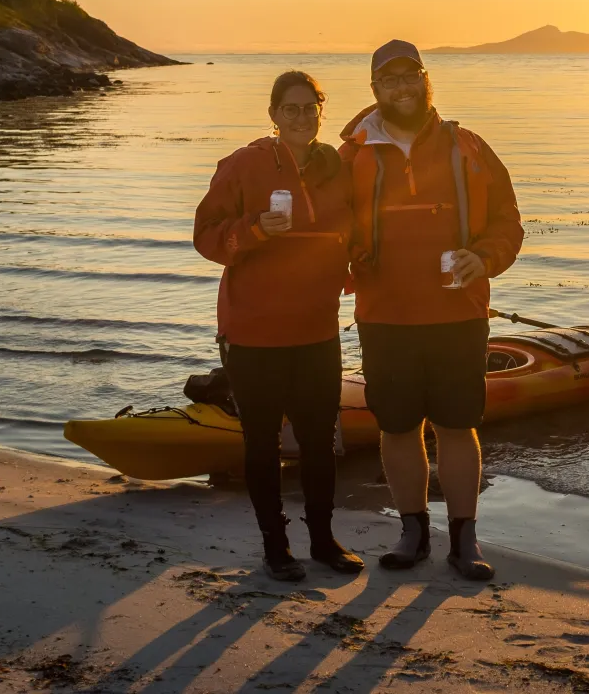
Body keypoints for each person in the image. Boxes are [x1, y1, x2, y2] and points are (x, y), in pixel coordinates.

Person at [339, 40, 524, 580]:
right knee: (396, 428)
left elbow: (508, 221)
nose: (402, 88)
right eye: (389, 80)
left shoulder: (467, 146)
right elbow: (327, 225)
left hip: (458, 314)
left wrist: (483, 259)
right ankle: (413, 530)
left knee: (457, 426)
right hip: (384, 315)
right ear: (375, 89)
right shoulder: (350, 156)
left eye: (410, 76)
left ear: (426, 79)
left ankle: (465, 539)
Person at [193, 70, 363, 582]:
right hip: (254, 331)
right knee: (262, 443)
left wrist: (356, 263)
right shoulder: (243, 165)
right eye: (290, 109)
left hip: (316, 328)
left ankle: (322, 540)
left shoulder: (335, 167)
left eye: (310, 108)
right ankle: (275, 546)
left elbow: (349, 230)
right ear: (272, 114)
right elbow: (205, 236)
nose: (301, 117)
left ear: (320, 111)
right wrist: (253, 230)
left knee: (318, 440)